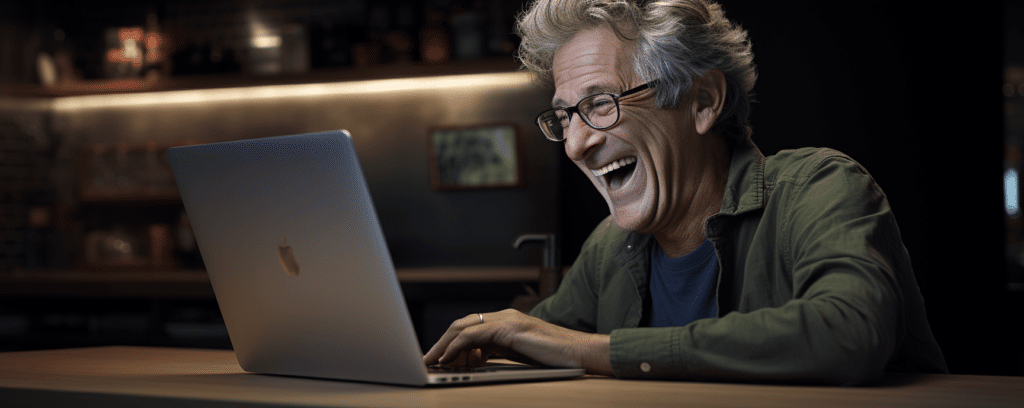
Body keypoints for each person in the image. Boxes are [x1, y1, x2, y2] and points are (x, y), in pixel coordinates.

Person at [423, 0, 948, 384]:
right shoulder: (610, 247)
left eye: (600, 103)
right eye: (564, 117)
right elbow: (537, 340)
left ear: (702, 102)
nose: (576, 144)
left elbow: (848, 331)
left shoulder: (819, 186)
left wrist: (593, 350)